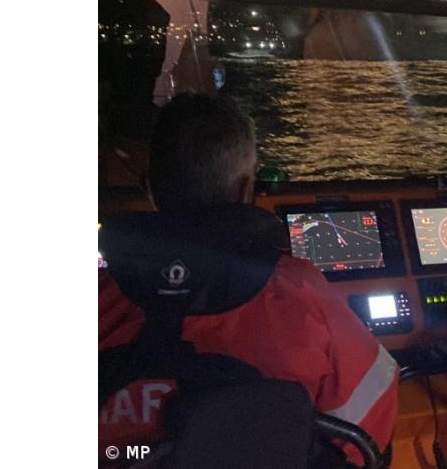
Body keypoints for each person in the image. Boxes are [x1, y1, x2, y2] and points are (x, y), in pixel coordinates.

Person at [99, 93, 398, 463]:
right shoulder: (303, 293)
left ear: (149, 187)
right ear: (245, 189)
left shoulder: (99, 300)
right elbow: (371, 428)